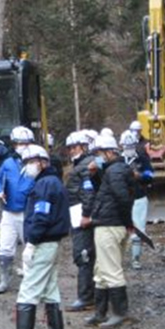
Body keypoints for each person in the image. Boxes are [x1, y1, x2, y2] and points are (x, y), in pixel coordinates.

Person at [0, 145, 70, 329]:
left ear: (41, 162)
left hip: (44, 242)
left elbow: (41, 216)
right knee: (50, 289)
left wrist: (31, 243)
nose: (27, 167)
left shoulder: (45, 185)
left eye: (30, 162)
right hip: (52, 242)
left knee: (29, 287)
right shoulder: (51, 181)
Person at [84, 135, 136, 329]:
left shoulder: (114, 171)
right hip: (111, 223)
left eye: (98, 153)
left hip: (109, 225)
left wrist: (127, 221)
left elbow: (121, 198)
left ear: (109, 152)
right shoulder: (114, 170)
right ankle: (100, 312)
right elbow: (106, 192)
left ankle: (119, 313)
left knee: (111, 270)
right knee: (101, 270)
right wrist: (94, 175)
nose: (97, 157)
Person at [0, 125, 35, 294]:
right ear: (14, 144)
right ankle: (4, 280)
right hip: (9, 212)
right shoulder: (7, 164)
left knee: (30, 248)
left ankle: (31, 280)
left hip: (27, 212)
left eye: (26, 143)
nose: (22, 146)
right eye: (19, 143)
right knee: (5, 248)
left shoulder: (35, 164)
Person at [64, 132, 98, 313]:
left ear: (84, 147)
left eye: (74, 147)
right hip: (76, 213)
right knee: (86, 255)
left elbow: (87, 193)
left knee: (83, 254)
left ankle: (86, 297)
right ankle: (90, 295)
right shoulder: (81, 164)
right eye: (69, 148)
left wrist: (85, 214)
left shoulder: (85, 166)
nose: (71, 151)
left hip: (81, 216)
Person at [121, 130, 154, 269]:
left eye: (131, 146)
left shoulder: (142, 158)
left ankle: (136, 259)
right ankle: (119, 258)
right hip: (122, 198)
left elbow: (150, 174)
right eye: (126, 146)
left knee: (138, 229)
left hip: (139, 197)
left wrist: (139, 176)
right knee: (119, 230)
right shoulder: (118, 160)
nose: (128, 149)